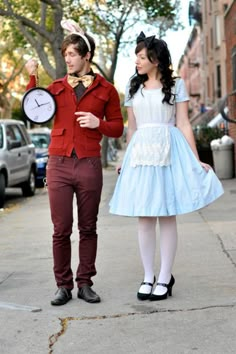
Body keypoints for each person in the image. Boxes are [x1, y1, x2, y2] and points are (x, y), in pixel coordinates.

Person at [109, 31, 224, 301]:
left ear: (155, 59)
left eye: (141, 56)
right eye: (136, 57)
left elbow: (183, 123)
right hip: (141, 153)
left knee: (167, 213)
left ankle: (164, 277)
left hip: (169, 149)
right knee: (145, 215)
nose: (136, 61)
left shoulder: (176, 85)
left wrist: (195, 159)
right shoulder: (132, 86)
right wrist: (126, 158)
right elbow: (132, 127)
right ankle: (148, 276)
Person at [25, 19, 123, 306]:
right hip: (58, 163)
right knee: (61, 228)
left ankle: (85, 283)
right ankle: (63, 285)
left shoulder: (107, 90)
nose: (66, 59)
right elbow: (34, 111)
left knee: (88, 227)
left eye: (71, 54)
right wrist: (32, 78)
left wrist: (99, 123)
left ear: (86, 56)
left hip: (90, 163)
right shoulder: (55, 87)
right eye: (64, 54)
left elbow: (118, 127)